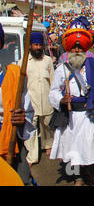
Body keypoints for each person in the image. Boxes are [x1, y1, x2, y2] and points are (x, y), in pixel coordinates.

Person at [49, 23, 94, 186]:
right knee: (73, 147)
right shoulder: (61, 69)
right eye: (74, 49)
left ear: (84, 50)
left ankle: (91, 170)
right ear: (69, 50)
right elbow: (53, 92)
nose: (77, 51)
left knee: (88, 145)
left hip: (88, 114)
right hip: (70, 116)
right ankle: (78, 177)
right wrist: (61, 100)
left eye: (80, 48)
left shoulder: (93, 67)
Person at [0, 23, 36, 185]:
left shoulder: (13, 75)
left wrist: (22, 118)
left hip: (9, 143)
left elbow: (28, 110)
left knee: (21, 180)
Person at [18, 32, 54, 167]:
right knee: (31, 127)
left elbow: (53, 80)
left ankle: (47, 145)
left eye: (40, 45)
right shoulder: (24, 61)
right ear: (30, 46)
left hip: (46, 99)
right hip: (30, 101)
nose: (38, 47)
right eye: (35, 45)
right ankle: (32, 156)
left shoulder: (48, 61)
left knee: (46, 125)